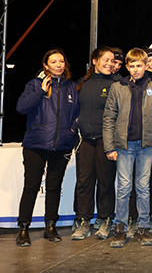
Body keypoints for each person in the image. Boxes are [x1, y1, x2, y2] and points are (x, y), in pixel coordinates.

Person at [103, 48, 152, 248]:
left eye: (139, 65)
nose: (136, 69)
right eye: (132, 66)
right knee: (123, 187)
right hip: (123, 146)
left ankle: (143, 228)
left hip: (147, 146)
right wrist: (109, 147)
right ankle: (120, 228)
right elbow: (108, 118)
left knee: (143, 188)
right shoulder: (117, 87)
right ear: (127, 67)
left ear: (146, 65)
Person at [15, 49, 80, 247]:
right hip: (36, 144)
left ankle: (50, 226)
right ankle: (23, 228)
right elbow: (21, 107)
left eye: (61, 61)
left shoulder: (72, 87)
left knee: (54, 187)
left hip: (61, 145)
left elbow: (79, 113)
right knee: (31, 186)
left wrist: (72, 130)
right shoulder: (34, 85)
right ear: (46, 65)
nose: (58, 65)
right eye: (54, 61)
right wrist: (41, 92)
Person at [72, 47, 120, 241]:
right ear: (95, 61)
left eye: (112, 60)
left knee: (106, 181)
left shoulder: (118, 84)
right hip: (84, 139)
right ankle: (84, 220)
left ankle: (105, 219)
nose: (109, 63)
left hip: (106, 140)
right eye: (105, 59)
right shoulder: (82, 83)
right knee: (84, 181)